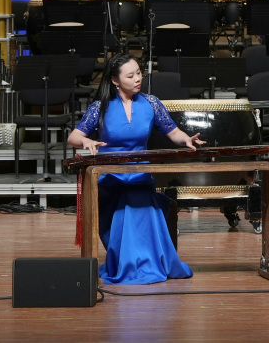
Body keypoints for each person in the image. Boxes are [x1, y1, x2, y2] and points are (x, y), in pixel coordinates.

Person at [68, 54, 204, 285]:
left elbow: (173, 132)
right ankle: (129, 265)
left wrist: (186, 140)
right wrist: (86, 141)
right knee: (124, 205)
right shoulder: (100, 107)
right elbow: (74, 137)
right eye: (130, 76)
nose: (137, 79)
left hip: (140, 176)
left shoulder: (152, 103)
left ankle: (147, 264)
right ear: (115, 81)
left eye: (139, 73)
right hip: (110, 178)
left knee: (141, 200)